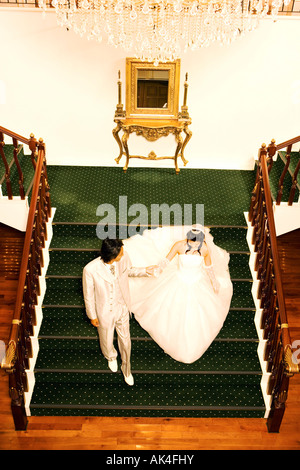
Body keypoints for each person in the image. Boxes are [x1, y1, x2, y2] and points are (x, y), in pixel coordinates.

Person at [123, 225, 233, 364]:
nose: (194, 246)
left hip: (197, 282)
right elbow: (166, 260)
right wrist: (159, 269)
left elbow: (208, 267)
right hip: (179, 279)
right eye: (192, 242)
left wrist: (214, 282)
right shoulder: (179, 245)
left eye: (196, 243)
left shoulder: (204, 249)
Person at [82, 238, 153, 386]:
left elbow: (130, 271)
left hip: (122, 306)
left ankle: (126, 368)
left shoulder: (124, 257)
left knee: (126, 341)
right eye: (120, 253)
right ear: (111, 255)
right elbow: (88, 295)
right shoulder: (90, 269)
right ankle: (111, 357)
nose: (123, 254)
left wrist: (146, 271)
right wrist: (92, 315)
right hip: (104, 311)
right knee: (106, 338)